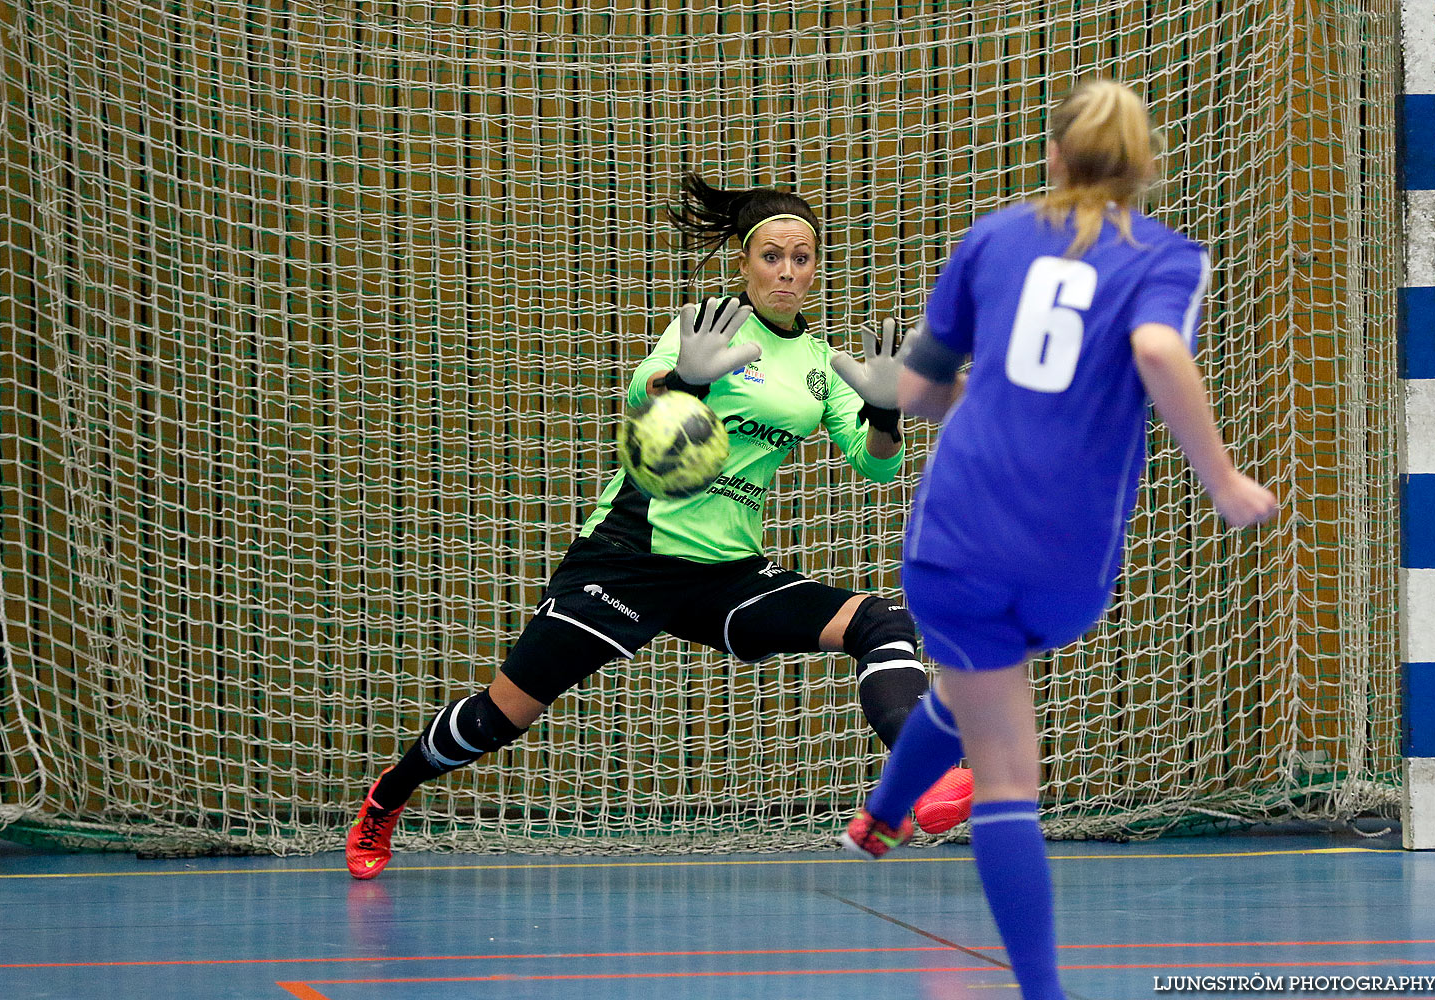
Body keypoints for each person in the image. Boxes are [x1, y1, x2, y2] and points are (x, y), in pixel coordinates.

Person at [345, 171, 975, 879]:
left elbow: (876, 463)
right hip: (630, 558)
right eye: (773, 256)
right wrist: (691, 380)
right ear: (742, 261)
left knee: (882, 622)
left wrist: (886, 410)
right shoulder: (703, 329)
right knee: (502, 715)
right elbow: (646, 402)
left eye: (804, 257)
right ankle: (387, 796)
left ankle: (923, 778)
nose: (789, 272)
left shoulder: (820, 361)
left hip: (726, 575)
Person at [838, 80, 1279, 1000]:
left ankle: (887, 820)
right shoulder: (1166, 255)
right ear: (1143, 170)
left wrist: (964, 399)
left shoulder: (996, 236)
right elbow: (1158, 350)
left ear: (1054, 158)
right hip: (1068, 557)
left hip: (959, 535)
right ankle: (891, 831)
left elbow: (916, 392)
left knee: (991, 740)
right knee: (988, 718)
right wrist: (1224, 480)